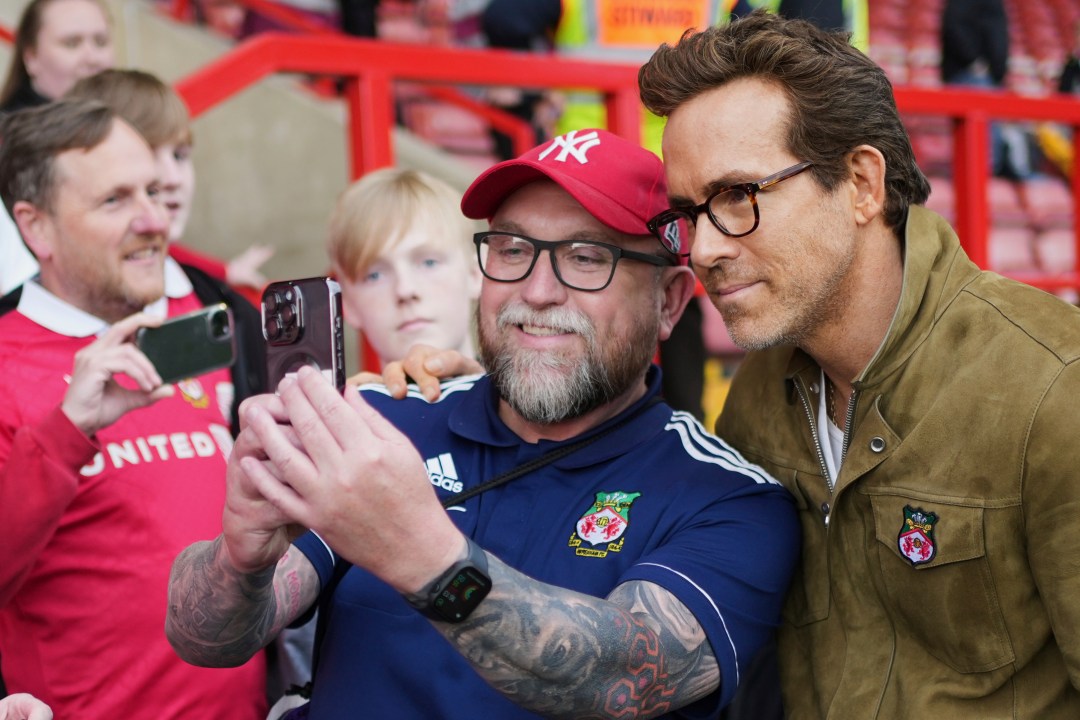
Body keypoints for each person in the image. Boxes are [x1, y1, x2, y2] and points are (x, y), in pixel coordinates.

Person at [165, 128, 801, 719]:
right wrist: (240, 559)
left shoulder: (728, 499)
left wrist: (421, 554)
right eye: (513, 249)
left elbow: (622, 675)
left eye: (585, 258)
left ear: (667, 302)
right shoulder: (387, 422)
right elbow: (204, 638)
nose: (538, 291)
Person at [634, 9, 1080, 716]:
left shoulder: (1055, 386)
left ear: (863, 185)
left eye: (738, 197)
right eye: (689, 213)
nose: (703, 249)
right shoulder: (758, 393)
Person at [0, 98, 268, 718]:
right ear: (36, 227)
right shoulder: (7, 361)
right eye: (114, 200)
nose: (155, 219)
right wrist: (67, 433)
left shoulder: (198, 331)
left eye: (153, 190)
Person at [64, 69, 275, 292]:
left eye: (180, 156)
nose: (173, 179)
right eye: (147, 156)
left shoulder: (204, 294)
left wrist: (225, 272)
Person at [329, 166, 481, 368]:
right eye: (374, 275)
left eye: (429, 262)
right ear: (347, 305)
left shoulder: (525, 398)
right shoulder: (344, 400)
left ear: (474, 273)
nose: (405, 290)